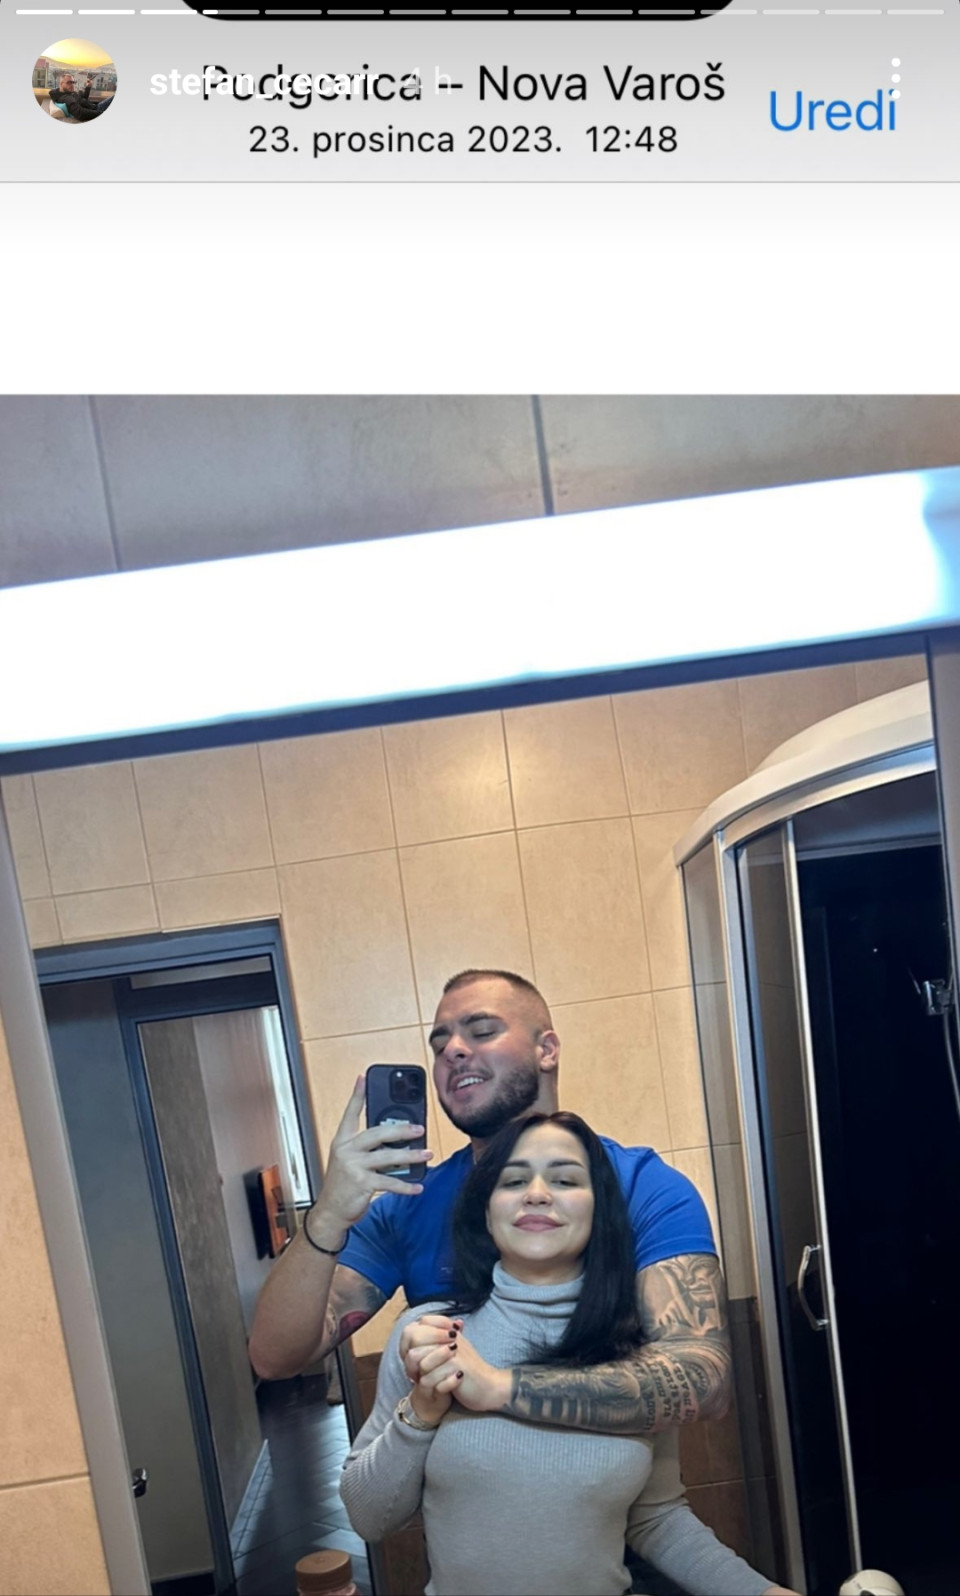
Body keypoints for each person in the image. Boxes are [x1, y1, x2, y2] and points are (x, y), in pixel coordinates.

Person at [250, 969, 731, 1444]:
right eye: (440, 1045)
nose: (453, 1051)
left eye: (482, 1031)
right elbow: (274, 1359)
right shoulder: (406, 1208)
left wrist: (500, 1388)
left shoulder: (642, 1186)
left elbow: (704, 1381)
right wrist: (328, 1217)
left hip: (624, 1492)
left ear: (547, 1050)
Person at [340, 1110, 794, 1596]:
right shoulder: (430, 1335)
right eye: (514, 1181)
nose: (537, 1193)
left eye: (565, 1180)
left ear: (599, 1212)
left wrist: (763, 1593)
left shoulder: (638, 1353)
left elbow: (658, 1519)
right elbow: (369, 1518)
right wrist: (421, 1412)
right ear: (486, 1212)